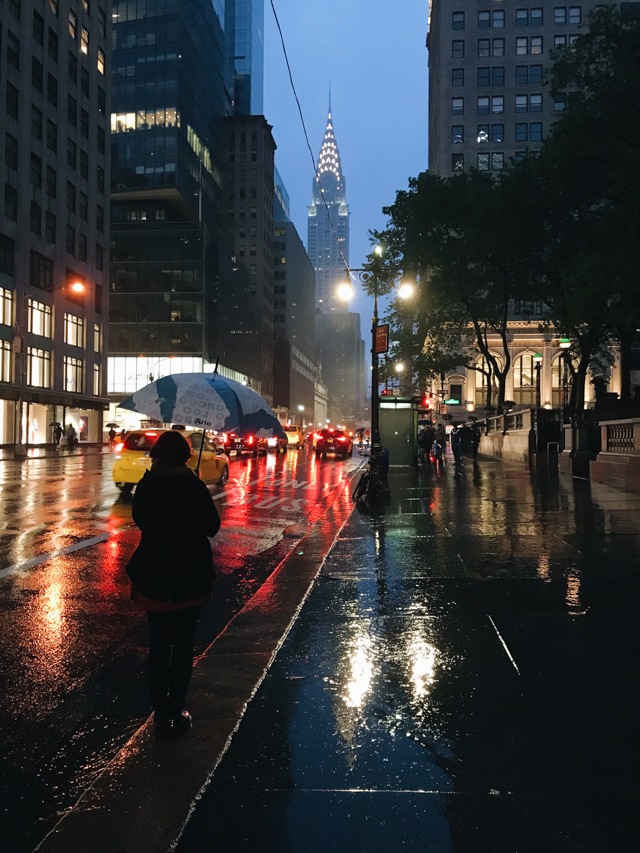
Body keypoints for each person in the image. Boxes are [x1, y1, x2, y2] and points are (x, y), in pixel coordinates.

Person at [125, 431, 221, 739]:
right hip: (190, 577)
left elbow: (140, 519)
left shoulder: (147, 484)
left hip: (153, 576)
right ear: (186, 456)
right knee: (182, 647)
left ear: (156, 454)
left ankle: (159, 714)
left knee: (159, 644)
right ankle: (177, 710)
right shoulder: (194, 486)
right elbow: (212, 527)